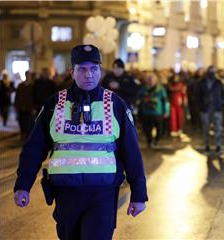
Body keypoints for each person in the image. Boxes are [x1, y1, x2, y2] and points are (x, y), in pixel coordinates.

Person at [13, 44, 148, 240]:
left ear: (100, 71)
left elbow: (131, 152)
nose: (88, 75)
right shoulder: (55, 104)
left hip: (103, 194)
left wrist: (139, 194)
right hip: (66, 194)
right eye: (82, 69)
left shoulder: (115, 104)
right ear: (72, 71)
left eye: (94, 69)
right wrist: (23, 185)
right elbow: (34, 147)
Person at [196, 65, 224, 154]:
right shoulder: (201, 82)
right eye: (210, 71)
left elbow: (223, 94)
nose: (212, 73)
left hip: (216, 108)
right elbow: (197, 96)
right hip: (205, 109)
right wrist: (201, 106)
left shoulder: (218, 82)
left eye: (213, 71)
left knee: (218, 128)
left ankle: (218, 146)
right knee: (205, 128)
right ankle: (206, 146)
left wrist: (220, 103)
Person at [137, 72, 168, 148]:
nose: (151, 81)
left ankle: (157, 140)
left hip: (158, 113)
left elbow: (165, 101)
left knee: (159, 129)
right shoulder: (143, 89)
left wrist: (166, 111)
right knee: (147, 129)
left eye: (152, 79)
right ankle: (149, 141)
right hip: (146, 113)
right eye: (149, 79)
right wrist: (143, 99)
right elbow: (138, 98)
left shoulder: (160, 89)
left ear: (155, 80)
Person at [14, 71, 35, 140]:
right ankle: (23, 133)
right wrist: (16, 106)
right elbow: (17, 96)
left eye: (29, 75)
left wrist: (34, 107)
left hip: (29, 107)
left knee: (29, 122)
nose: (28, 76)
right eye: (27, 75)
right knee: (21, 121)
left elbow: (35, 97)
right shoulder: (21, 85)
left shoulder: (33, 85)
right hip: (21, 107)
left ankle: (27, 135)